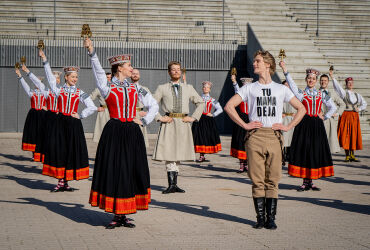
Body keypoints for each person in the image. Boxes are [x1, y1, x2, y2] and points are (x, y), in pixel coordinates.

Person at [225, 50, 305, 230]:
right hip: (255, 136)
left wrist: (288, 126)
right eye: (254, 61)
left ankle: (271, 219)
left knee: (273, 179)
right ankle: (260, 218)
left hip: (274, 136)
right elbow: (229, 106)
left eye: (257, 61)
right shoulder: (249, 88)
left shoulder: (281, 88)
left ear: (268, 64)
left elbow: (301, 108)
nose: (254, 64)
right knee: (257, 179)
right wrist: (245, 125)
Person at [84, 38, 159, 229]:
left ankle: (124, 212)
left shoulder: (135, 87)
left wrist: (143, 120)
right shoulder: (108, 87)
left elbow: (153, 105)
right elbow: (99, 72)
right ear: (119, 69)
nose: (131, 68)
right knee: (116, 170)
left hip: (132, 132)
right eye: (128, 65)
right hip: (115, 131)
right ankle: (117, 213)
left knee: (131, 170)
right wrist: (92, 52)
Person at [39, 49, 97, 192]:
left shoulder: (80, 92)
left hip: (72, 124)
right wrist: (45, 60)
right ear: (66, 77)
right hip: (60, 123)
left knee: (70, 151)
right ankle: (61, 180)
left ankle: (66, 181)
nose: (75, 79)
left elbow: (92, 106)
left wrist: (81, 115)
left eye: (76, 77)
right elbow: (50, 78)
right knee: (60, 150)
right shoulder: (59, 90)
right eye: (72, 77)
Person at [279, 61, 336, 192]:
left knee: (314, 151)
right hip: (304, 125)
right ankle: (305, 181)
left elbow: (333, 107)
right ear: (306, 79)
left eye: (313, 79)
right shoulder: (301, 93)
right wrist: (285, 69)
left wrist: (325, 116)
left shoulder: (322, 94)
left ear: (316, 81)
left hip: (316, 125)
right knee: (304, 151)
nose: (311, 80)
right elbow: (292, 84)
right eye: (309, 78)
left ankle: (311, 181)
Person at [152, 61, 205, 194]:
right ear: (169, 72)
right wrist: (159, 117)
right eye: (173, 70)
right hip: (169, 122)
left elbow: (201, 102)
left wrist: (193, 118)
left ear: (181, 72)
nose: (176, 71)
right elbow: (151, 104)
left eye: (178, 69)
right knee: (169, 152)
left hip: (183, 122)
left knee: (179, 152)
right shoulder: (162, 88)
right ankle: (171, 184)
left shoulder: (189, 88)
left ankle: (175, 184)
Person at [329, 70, 367, 162]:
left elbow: (364, 103)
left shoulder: (357, 95)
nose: (350, 84)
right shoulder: (343, 93)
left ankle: (352, 155)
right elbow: (337, 87)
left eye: (351, 83)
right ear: (346, 84)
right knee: (346, 134)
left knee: (353, 135)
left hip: (354, 116)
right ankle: (347, 155)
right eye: (348, 83)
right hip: (346, 115)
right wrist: (332, 77)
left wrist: (360, 109)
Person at [15, 64, 47, 162]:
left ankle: (42, 154)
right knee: (33, 134)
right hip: (33, 115)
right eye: (35, 83)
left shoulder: (45, 92)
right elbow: (25, 85)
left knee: (42, 134)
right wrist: (20, 75)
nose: (36, 84)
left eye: (38, 82)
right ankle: (34, 154)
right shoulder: (31, 92)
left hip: (43, 115)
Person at [191, 81, 223, 162]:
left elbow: (220, 109)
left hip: (208, 120)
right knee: (198, 136)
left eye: (207, 87)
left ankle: (202, 155)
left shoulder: (212, 100)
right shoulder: (198, 98)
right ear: (202, 88)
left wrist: (213, 114)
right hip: (199, 119)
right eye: (204, 87)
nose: (206, 89)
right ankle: (201, 155)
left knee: (206, 136)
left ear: (210, 89)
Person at [230, 76, 252, 173]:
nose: (245, 87)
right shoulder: (240, 95)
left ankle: (247, 164)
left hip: (251, 118)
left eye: (247, 85)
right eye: (244, 85)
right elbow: (236, 89)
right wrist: (234, 81)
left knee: (250, 141)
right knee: (240, 141)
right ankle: (242, 164)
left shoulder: (253, 95)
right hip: (242, 118)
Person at [319, 74, 345, 154]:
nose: (323, 82)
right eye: (322, 80)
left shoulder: (333, 93)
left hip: (331, 120)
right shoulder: (316, 93)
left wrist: (337, 113)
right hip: (320, 119)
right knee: (320, 140)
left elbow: (342, 104)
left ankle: (327, 159)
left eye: (325, 80)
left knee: (330, 140)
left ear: (328, 82)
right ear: (319, 81)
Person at [131, 68, 151, 147]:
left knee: (140, 138)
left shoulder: (143, 89)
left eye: (137, 74)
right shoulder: (127, 88)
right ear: (130, 75)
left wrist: (147, 112)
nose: (135, 75)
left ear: (139, 75)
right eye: (133, 73)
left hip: (140, 115)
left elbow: (151, 103)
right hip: (129, 115)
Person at [90, 72, 112, 143]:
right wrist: (96, 108)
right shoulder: (99, 89)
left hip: (114, 111)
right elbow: (90, 98)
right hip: (104, 112)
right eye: (107, 77)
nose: (109, 79)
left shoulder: (116, 88)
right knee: (102, 133)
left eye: (110, 78)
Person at [281, 80, 296, 164]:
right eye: (285, 85)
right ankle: (282, 156)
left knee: (291, 138)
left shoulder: (293, 96)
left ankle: (290, 155)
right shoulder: (280, 96)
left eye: (288, 85)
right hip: (283, 119)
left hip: (291, 119)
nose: (286, 87)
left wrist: (296, 114)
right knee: (283, 138)